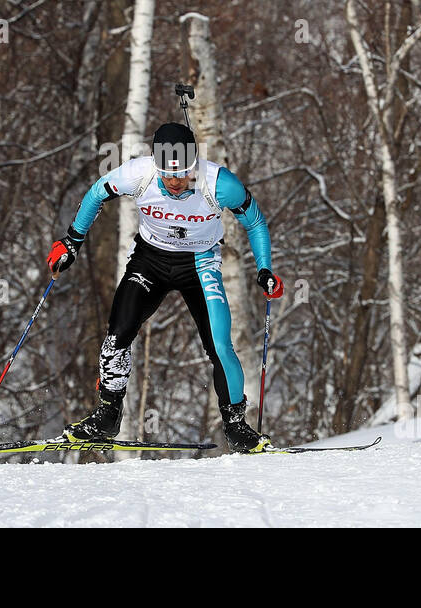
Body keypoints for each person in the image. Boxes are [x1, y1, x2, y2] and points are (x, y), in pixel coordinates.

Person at [46, 122, 284, 453]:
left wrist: (265, 269)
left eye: (182, 174)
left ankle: (236, 427)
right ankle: (108, 415)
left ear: (194, 165)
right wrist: (71, 241)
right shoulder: (137, 175)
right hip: (150, 261)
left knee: (220, 345)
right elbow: (97, 192)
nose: (174, 182)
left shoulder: (219, 183)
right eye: (167, 175)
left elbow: (256, 222)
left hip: (200, 263)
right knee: (117, 333)